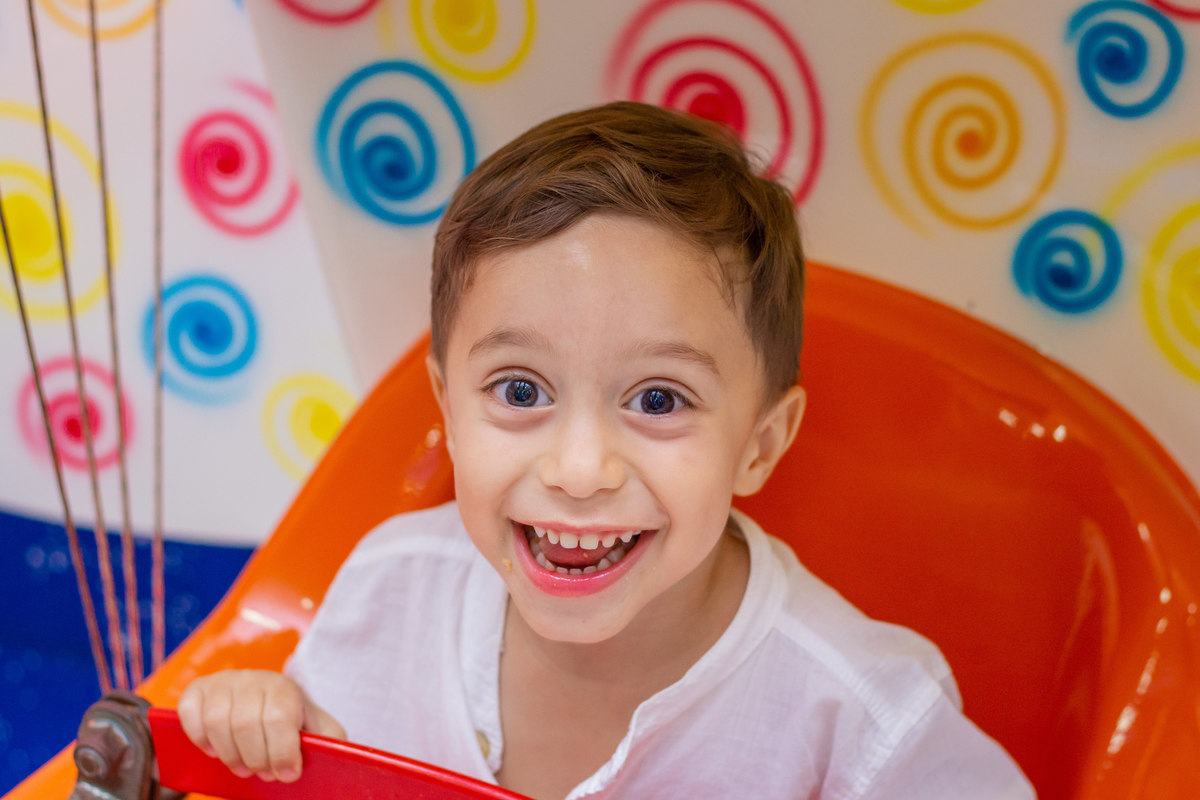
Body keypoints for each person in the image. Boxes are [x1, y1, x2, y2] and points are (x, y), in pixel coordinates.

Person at [177, 102, 1035, 799]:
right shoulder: (391, 590)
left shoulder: (861, 718)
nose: (579, 470)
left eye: (658, 400)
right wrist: (265, 724)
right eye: (521, 392)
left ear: (759, 445)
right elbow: (318, 755)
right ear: (448, 410)